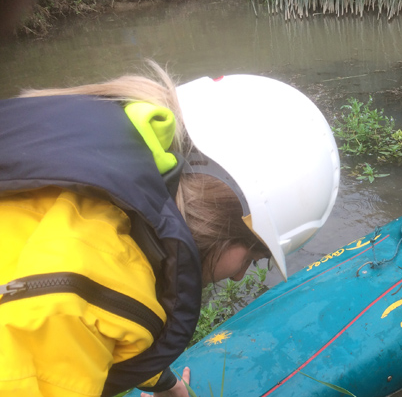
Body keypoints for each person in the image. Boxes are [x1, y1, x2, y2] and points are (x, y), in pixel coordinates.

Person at [0, 65, 340, 397]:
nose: (238, 277)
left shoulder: (83, 154)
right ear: (221, 216)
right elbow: (84, 306)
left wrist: (164, 383)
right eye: (253, 256)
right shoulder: (74, 299)